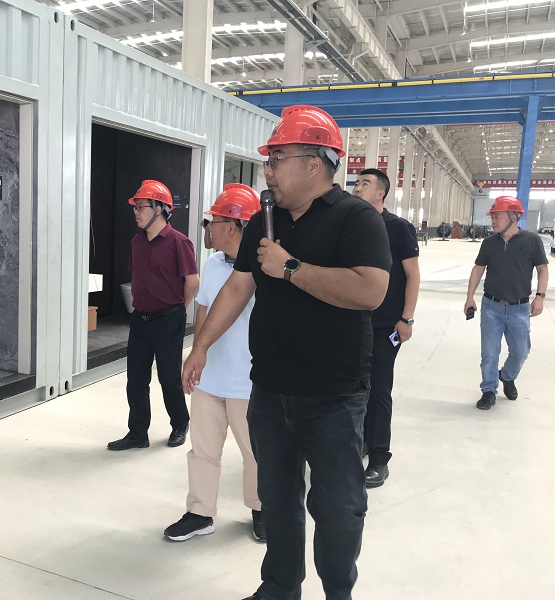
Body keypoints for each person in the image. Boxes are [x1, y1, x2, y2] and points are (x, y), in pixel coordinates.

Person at [182, 105, 391, 600]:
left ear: (314, 163)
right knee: (276, 499)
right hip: (270, 390)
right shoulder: (264, 220)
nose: (268, 170)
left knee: (337, 508)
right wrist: (200, 345)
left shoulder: (355, 218)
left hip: (334, 396)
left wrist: (291, 268)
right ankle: (279, 587)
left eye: (277, 159)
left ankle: (338, 592)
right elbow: (239, 286)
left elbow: (371, 290)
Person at [164, 184, 264, 543]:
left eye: (212, 221)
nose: (206, 228)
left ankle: (262, 509)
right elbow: (204, 312)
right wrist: (195, 355)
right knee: (203, 450)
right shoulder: (212, 263)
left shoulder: (265, 270)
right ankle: (200, 512)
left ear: (233, 226)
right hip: (210, 379)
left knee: (257, 453)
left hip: (249, 381)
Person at [107, 180, 199, 451]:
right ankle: (138, 433)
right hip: (140, 319)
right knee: (136, 379)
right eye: (135, 207)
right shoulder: (136, 242)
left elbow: (192, 281)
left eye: (141, 207)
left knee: (169, 378)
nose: (136, 212)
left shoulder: (179, 242)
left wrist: (178, 309)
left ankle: (180, 424)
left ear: (160, 209)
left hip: (168, 319)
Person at [352, 169, 420, 488]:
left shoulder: (398, 228)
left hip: (385, 326)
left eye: (364, 184)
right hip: (354, 320)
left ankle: (379, 458)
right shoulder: (350, 223)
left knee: (378, 390)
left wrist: (406, 318)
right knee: (354, 388)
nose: (357, 188)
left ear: (380, 193)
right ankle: (362, 442)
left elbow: (413, 276)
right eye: (356, 183)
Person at [464, 195, 548, 410]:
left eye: (497, 216)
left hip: (520, 308)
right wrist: (470, 297)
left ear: (514, 216)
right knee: (489, 353)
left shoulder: (532, 240)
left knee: (521, 352)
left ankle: (507, 376)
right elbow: (478, 269)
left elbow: (542, 269)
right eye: (492, 217)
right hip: (491, 306)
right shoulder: (489, 243)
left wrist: (540, 296)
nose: (493, 221)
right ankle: (488, 390)